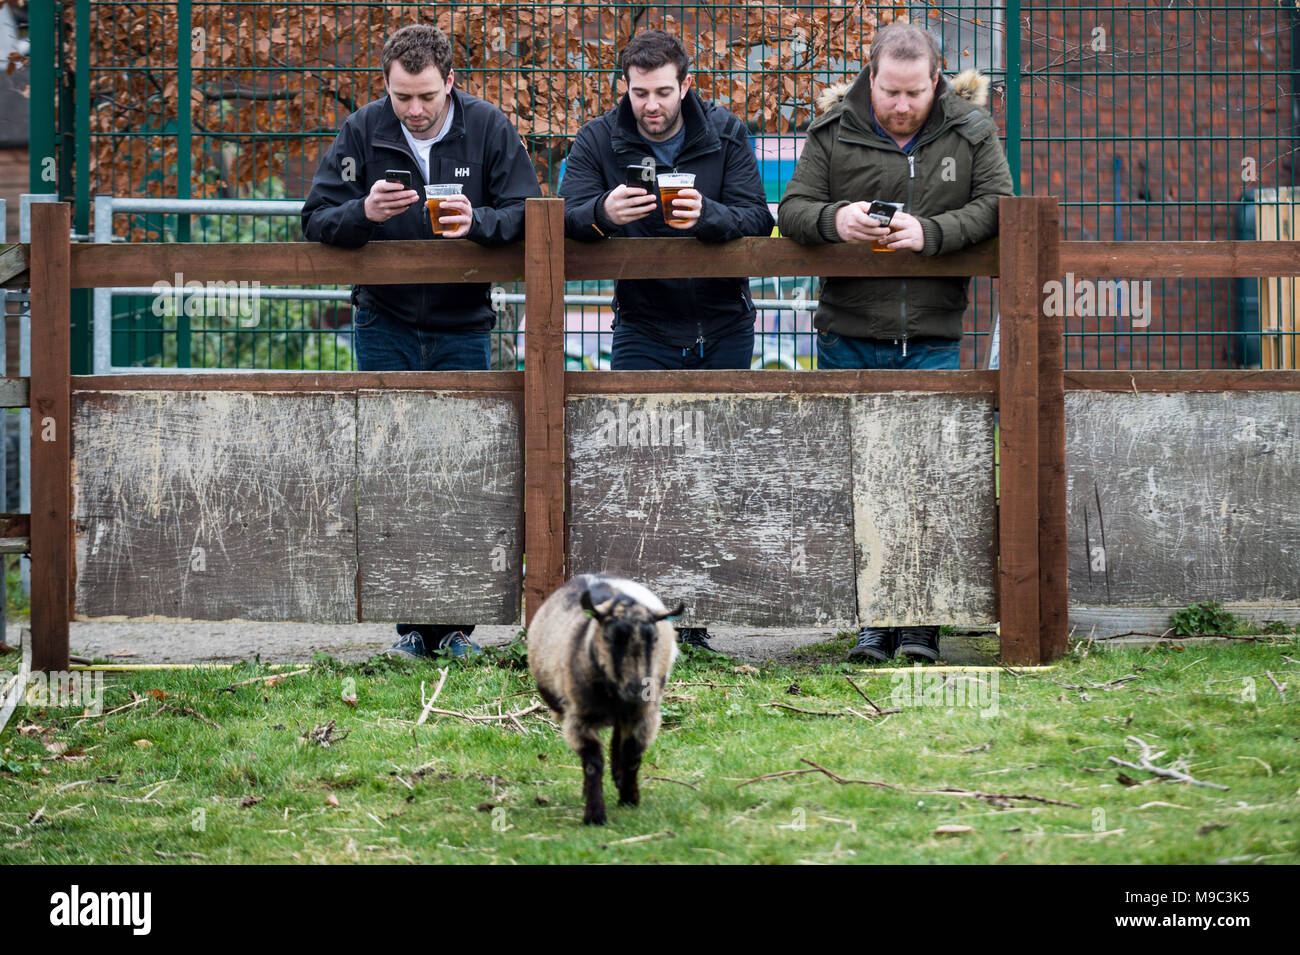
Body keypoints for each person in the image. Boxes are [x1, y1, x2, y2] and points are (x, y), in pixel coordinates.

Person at [302, 23, 542, 660]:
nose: (412, 109)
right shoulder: (361, 132)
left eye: (426, 97)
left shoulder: (489, 129)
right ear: (386, 86)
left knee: (463, 472)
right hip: (384, 322)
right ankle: (411, 626)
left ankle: (457, 628)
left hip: (465, 324)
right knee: (393, 470)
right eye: (401, 97)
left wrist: (480, 222)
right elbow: (316, 219)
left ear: (451, 85)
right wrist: (364, 214)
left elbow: (531, 210)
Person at [777, 21, 1014, 665]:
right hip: (848, 334)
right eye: (890, 92)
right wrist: (837, 219)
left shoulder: (970, 130)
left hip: (933, 334)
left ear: (935, 79)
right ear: (871, 77)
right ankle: (873, 623)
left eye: (915, 92)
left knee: (928, 482)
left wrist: (929, 234)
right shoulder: (832, 131)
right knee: (859, 483)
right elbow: (792, 210)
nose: (903, 106)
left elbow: (1000, 205)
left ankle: (923, 626)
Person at [558, 29, 775, 652]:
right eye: (638, 92)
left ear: (686, 85)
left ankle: (698, 615)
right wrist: (603, 212)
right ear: (624, 87)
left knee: (711, 471)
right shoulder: (599, 137)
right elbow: (565, 212)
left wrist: (707, 217)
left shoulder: (725, 132)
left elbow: (757, 216)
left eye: (661, 92)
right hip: (643, 324)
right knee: (640, 467)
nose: (649, 105)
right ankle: (638, 615)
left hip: (724, 322)